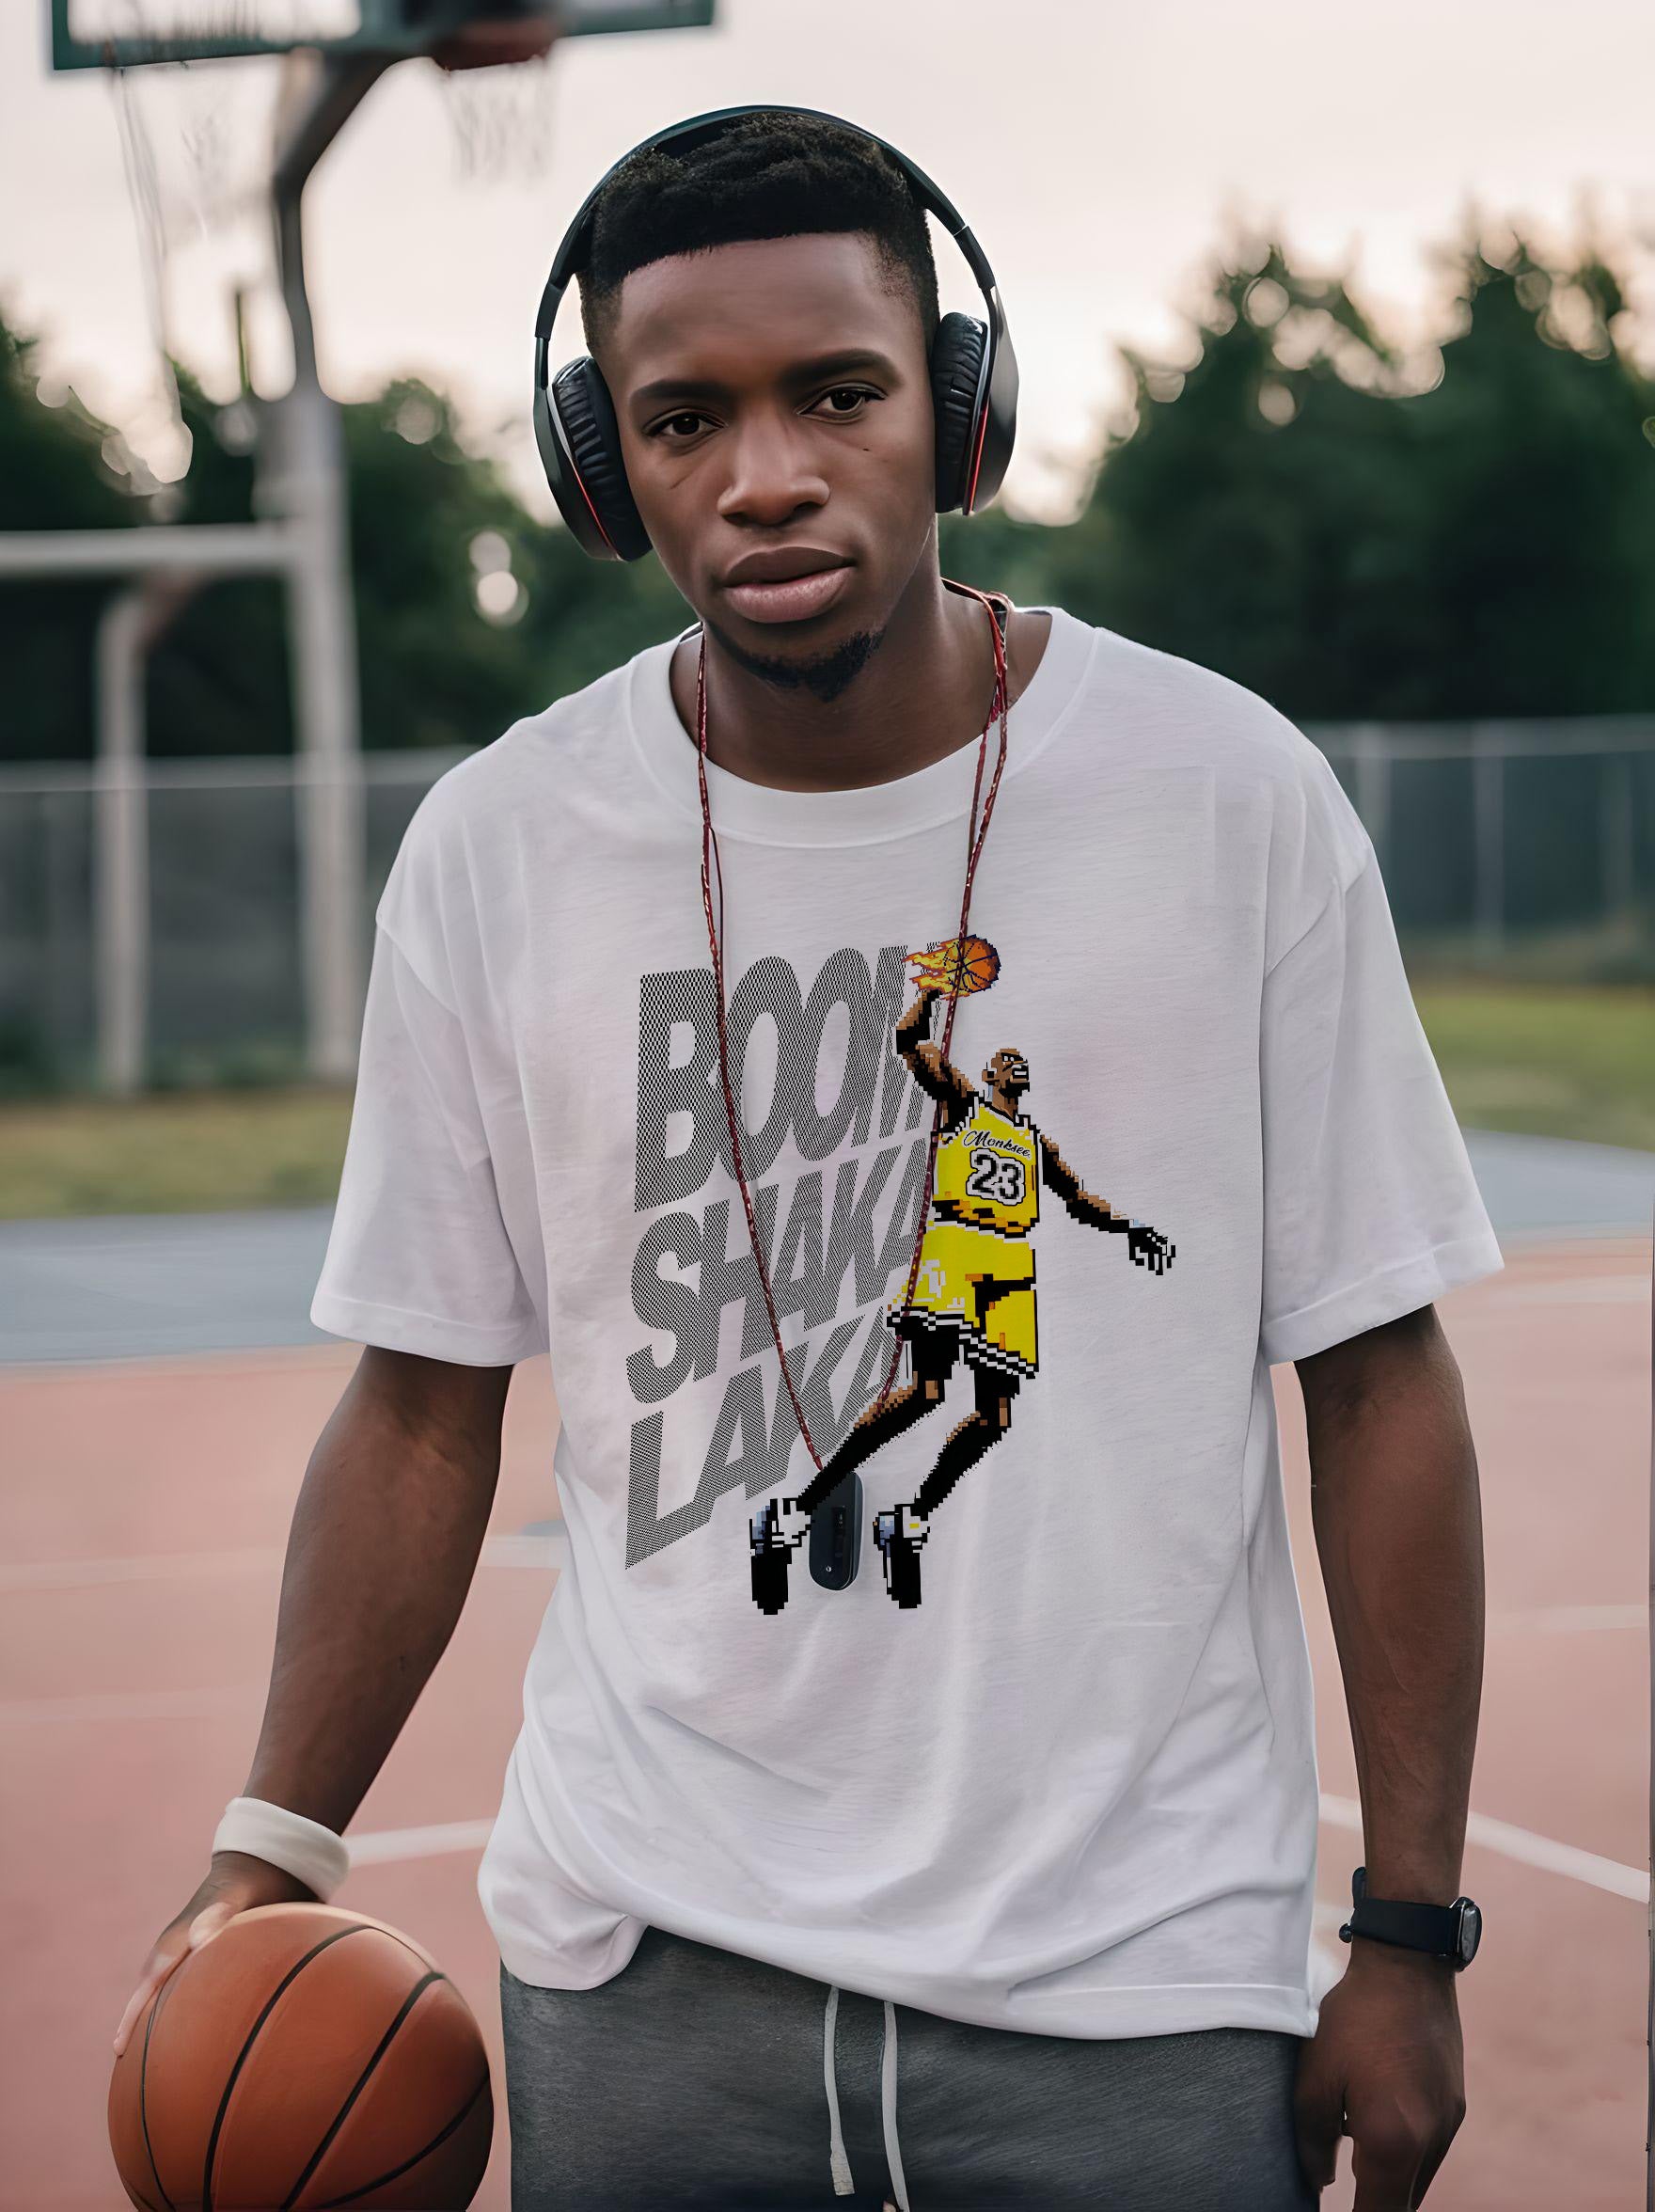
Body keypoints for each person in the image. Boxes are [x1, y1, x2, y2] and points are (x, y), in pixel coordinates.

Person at [118, 109, 1500, 2212]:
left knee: (950, 1397)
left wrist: (1406, 1929)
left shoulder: (1224, 798)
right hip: (646, 1974)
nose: (763, 472)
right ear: (605, 475)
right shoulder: (498, 854)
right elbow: (415, 1410)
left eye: (835, 391)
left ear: (955, 417)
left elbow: (1379, 1382)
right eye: (683, 418)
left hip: (1129, 1987)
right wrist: (275, 1842)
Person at [751, 979, 1175, 1613]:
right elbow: (908, 1041)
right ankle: (797, 1511)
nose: (1014, 1062)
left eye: (1019, 1061)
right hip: (958, 1250)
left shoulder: (1035, 1144)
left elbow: (1079, 1200)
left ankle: (910, 1517)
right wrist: (927, 992)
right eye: (1004, 1058)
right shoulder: (963, 1105)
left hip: (1008, 1267)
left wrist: (1130, 1227)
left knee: (994, 1416)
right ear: (987, 1071)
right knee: (926, 1392)